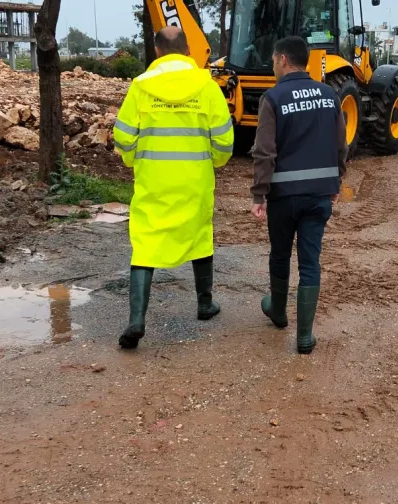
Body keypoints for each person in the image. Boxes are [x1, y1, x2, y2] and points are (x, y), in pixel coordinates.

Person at [113, 26, 234, 350]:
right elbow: (224, 140)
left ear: (157, 51)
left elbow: (123, 136)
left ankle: (137, 320)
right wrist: (214, 162)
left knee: (146, 244)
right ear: (187, 50)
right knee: (199, 235)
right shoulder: (206, 86)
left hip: (153, 181)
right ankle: (204, 304)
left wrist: (133, 160)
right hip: (194, 180)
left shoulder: (140, 87)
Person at [250, 36, 348, 354]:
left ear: (282, 60)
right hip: (319, 194)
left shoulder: (274, 97)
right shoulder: (329, 95)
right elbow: (340, 146)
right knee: (310, 261)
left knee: (280, 254)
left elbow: (264, 152)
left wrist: (259, 194)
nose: (273, 65)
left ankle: (278, 313)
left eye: (273, 60)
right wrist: (336, 181)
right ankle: (304, 337)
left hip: (283, 195)